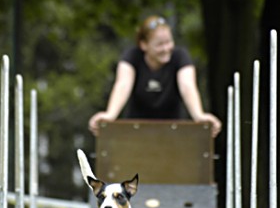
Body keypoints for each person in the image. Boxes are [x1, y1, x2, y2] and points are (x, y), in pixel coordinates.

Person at [88, 15, 222, 137]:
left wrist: (199, 116)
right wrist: (110, 115)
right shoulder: (131, 56)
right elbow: (123, 84)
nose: (166, 48)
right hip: (136, 131)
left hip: (173, 131)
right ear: (143, 45)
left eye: (169, 42)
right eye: (159, 44)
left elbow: (187, 86)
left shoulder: (180, 56)